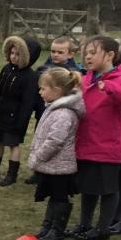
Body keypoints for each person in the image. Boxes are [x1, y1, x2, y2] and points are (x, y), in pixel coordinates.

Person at [69, 36, 121, 240]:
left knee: (108, 189)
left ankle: (103, 229)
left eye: (93, 52)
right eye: (86, 52)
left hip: (107, 146)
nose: (88, 56)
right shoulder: (87, 79)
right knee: (88, 187)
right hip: (86, 143)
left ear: (110, 55)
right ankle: (84, 224)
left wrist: (109, 88)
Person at [25, 67, 84, 240]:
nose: (40, 92)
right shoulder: (54, 108)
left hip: (60, 166)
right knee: (52, 196)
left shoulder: (64, 113)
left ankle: (57, 230)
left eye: (43, 88)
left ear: (57, 90)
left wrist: (39, 157)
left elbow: (55, 141)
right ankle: (47, 226)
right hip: (52, 165)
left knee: (60, 197)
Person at [0, 35, 42, 186]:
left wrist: (21, 122)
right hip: (2, 113)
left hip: (16, 117)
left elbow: (28, 103)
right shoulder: (6, 69)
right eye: (12, 53)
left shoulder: (30, 77)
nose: (13, 57)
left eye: (18, 54)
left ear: (27, 56)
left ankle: (12, 175)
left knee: (13, 145)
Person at [25, 36, 85, 184]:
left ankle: (57, 172)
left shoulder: (73, 73)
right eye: (53, 51)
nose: (55, 54)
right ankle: (39, 170)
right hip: (44, 112)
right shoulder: (44, 69)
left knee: (56, 141)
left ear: (70, 54)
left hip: (61, 114)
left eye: (60, 52)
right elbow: (36, 91)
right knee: (41, 139)